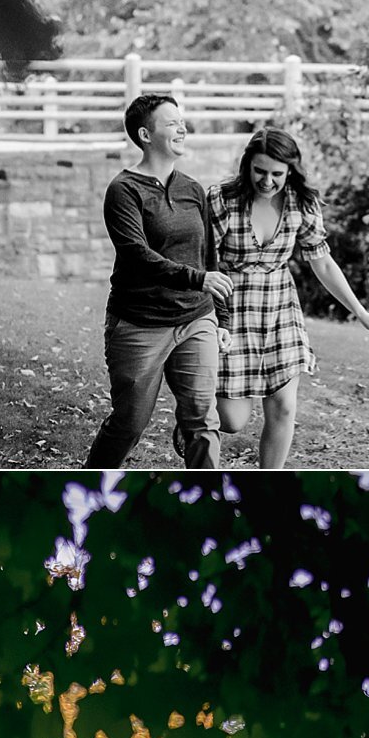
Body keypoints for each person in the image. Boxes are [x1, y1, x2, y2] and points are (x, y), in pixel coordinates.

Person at [207, 128, 369, 467]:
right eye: (259, 171)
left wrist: (360, 311)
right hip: (231, 311)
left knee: (284, 405)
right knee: (232, 420)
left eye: (277, 174)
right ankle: (194, 423)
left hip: (279, 309)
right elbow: (203, 261)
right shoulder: (222, 199)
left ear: (291, 170)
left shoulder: (301, 204)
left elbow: (321, 261)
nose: (267, 181)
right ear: (247, 165)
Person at [84, 92, 236, 470]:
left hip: (195, 320)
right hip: (140, 323)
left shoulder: (192, 189)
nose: (182, 128)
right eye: (171, 123)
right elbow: (137, 256)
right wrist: (196, 279)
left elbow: (208, 256)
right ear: (145, 135)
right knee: (129, 423)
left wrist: (221, 318)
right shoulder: (124, 190)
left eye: (181, 121)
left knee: (203, 420)